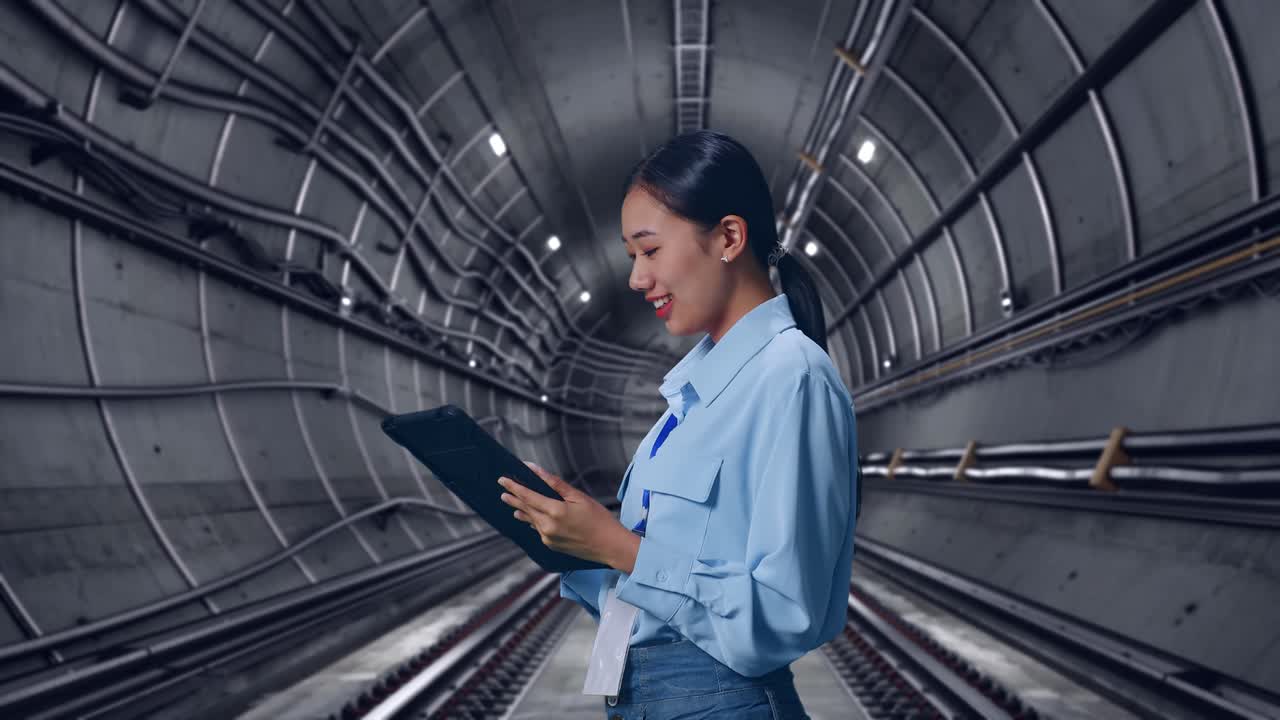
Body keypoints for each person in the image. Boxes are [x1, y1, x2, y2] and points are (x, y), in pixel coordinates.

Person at [496, 130, 858, 719]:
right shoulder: (690, 400)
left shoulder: (792, 379)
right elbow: (666, 593)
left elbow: (785, 613)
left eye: (650, 250)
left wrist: (621, 546)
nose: (637, 278)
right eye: (632, 255)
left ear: (729, 237)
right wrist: (578, 543)